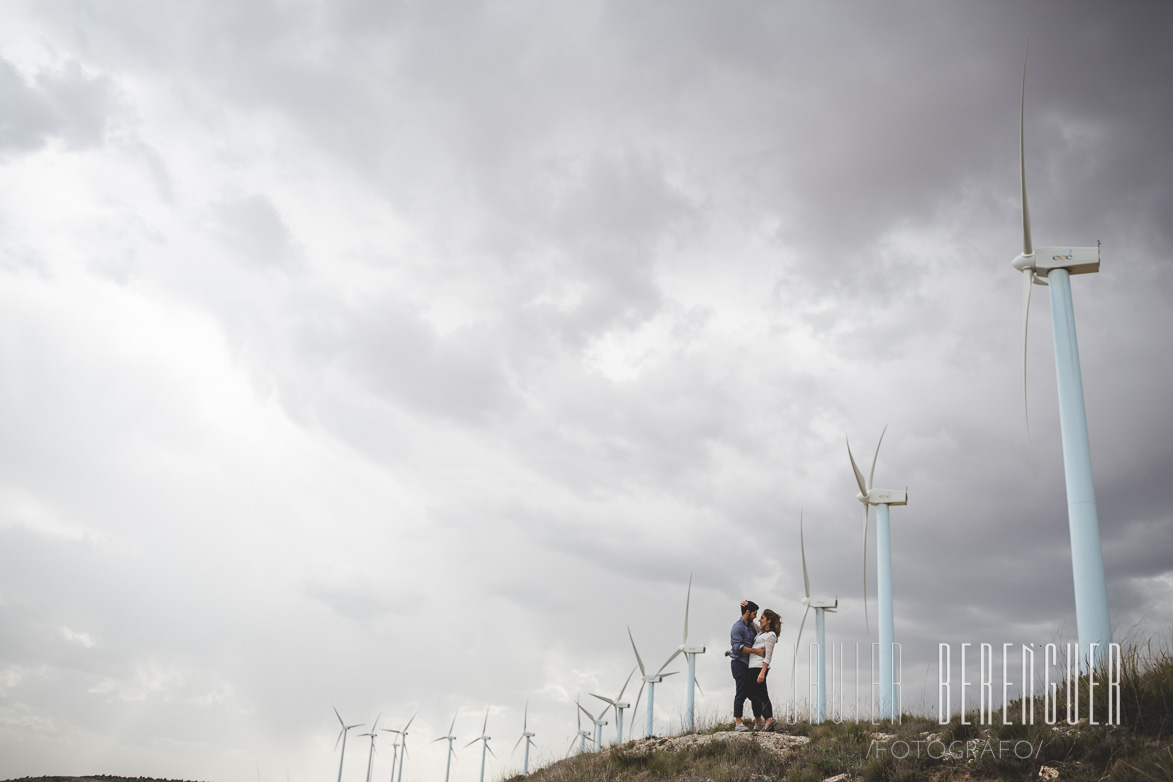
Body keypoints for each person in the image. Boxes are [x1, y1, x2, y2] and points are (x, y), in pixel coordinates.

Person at [729, 599, 764, 731]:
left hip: (750, 664)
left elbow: (764, 631)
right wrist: (756, 652)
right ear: (748, 612)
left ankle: (758, 721)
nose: (756, 616)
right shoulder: (738, 627)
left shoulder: (752, 626)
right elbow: (738, 648)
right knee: (741, 692)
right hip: (739, 663)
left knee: (755, 692)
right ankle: (738, 723)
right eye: (754, 614)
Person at [747, 608, 781, 731]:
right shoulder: (761, 632)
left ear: (769, 620)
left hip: (758, 667)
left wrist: (762, 672)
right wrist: (745, 609)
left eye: (762, 618)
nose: (759, 620)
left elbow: (768, 656)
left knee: (750, 692)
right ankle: (769, 726)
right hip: (753, 666)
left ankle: (768, 718)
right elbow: (751, 622)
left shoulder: (771, 635)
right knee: (763, 695)